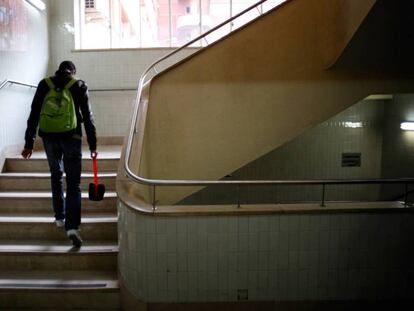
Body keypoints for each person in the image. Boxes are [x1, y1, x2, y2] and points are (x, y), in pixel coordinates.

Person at [21, 61, 97, 248]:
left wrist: (29, 143)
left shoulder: (44, 84)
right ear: (73, 72)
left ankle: (59, 217)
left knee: (56, 175)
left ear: (58, 70)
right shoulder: (79, 85)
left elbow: (34, 113)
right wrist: (93, 145)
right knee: (74, 183)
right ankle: (72, 227)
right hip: (72, 137)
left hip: (49, 138)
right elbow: (88, 117)